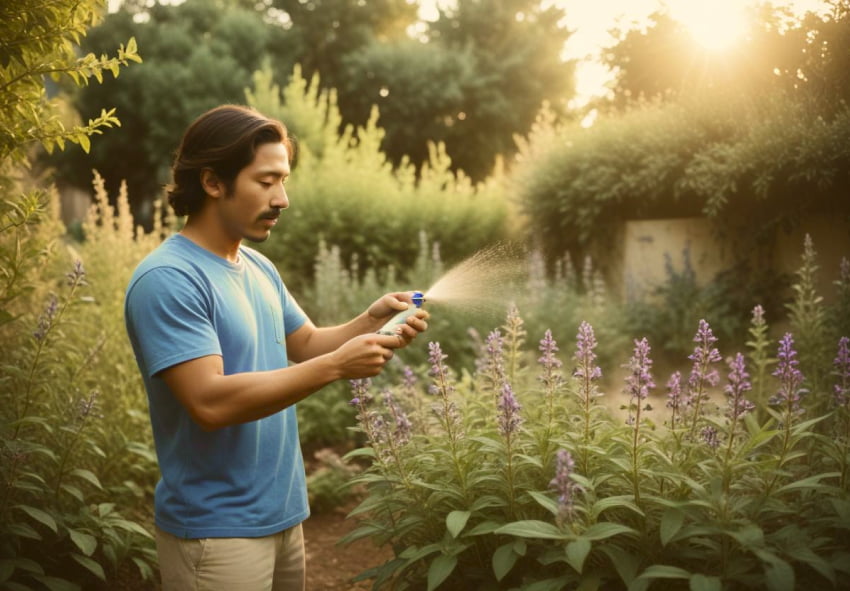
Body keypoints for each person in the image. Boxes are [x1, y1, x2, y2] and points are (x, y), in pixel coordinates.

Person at [124, 104, 428, 591]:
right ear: (212, 182)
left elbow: (306, 343)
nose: (282, 198)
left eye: (284, 180)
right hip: (216, 531)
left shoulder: (258, 268)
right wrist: (336, 367)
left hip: (283, 515)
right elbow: (209, 401)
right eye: (266, 182)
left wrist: (370, 321)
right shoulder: (169, 280)